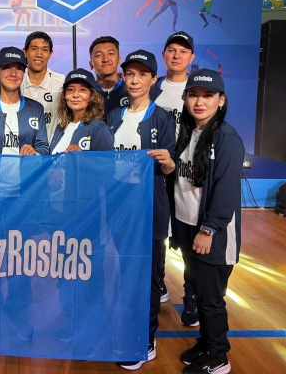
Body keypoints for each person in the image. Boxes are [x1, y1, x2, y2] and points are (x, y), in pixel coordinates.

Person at [171, 68, 244, 374]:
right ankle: (205, 343)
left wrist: (208, 228)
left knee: (211, 297)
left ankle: (218, 356)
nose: (199, 102)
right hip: (186, 227)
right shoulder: (188, 132)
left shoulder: (226, 138)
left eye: (208, 95)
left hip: (211, 233)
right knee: (198, 291)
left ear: (221, 100)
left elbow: (226, 192)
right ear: (185, 98)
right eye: (193, 95)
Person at [107, 50, 176, 371]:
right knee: (124, 273)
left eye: (142, 74)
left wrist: (168, 163)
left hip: (149, 210)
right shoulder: (113, 117)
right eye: (130, 74)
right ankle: (126, 328)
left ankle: (145, 338)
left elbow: (170, 167)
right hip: (119, 210)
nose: (135, 80)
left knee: (147, 278)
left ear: (153, 79)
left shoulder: (163, 118)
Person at [150, 31, 196, 313]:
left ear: (191, 57)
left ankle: (191, 294)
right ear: (164, 54)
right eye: (171, 50)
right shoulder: (152, 87)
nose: (176, 55)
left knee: (188, 235)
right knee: (158, 233)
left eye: (183, 51)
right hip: (159, 171)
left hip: (189, 172)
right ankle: (159, 281)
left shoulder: (197, 89)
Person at [0, 46, 49, 156]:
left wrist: (35, 153)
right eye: (7, 67)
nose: (13, 73)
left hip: (27, 168)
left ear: (24, 73)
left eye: (19, 68)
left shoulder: (36, 109)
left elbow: (44, 148)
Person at [49, 68, 114, 153]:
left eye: (82, 89)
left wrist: (82, 157)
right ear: (64, 95)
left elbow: (107, 161)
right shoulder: (60, 128)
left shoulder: (100, 129)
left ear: (92, 95)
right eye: (70, 89)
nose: (75, 95)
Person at [21, 31, 65, 142]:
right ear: (25, 52)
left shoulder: (61, 83)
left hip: (52, 149)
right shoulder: (15, 80)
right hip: (20, 149)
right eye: (34, 49)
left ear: (50, 54)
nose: (39, 54)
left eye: (44, 50)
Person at [88, 36, 127, 117]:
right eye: (98, 55)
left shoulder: (132, 92)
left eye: (111, 53)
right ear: (91, 64)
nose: (105, 59)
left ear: (119, 60)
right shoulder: (86, 95)